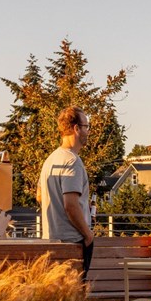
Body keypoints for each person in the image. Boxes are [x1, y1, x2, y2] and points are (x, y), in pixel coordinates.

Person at [37, 106, 94, 279]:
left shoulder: (51, 159)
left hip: (50, 237)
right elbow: (70, 205)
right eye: (86, 126)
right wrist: (87, 234)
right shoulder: (72, 162)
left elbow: (39, 195)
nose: (88, 131)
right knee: (75, 293)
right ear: (76, 128)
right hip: (72, 241)